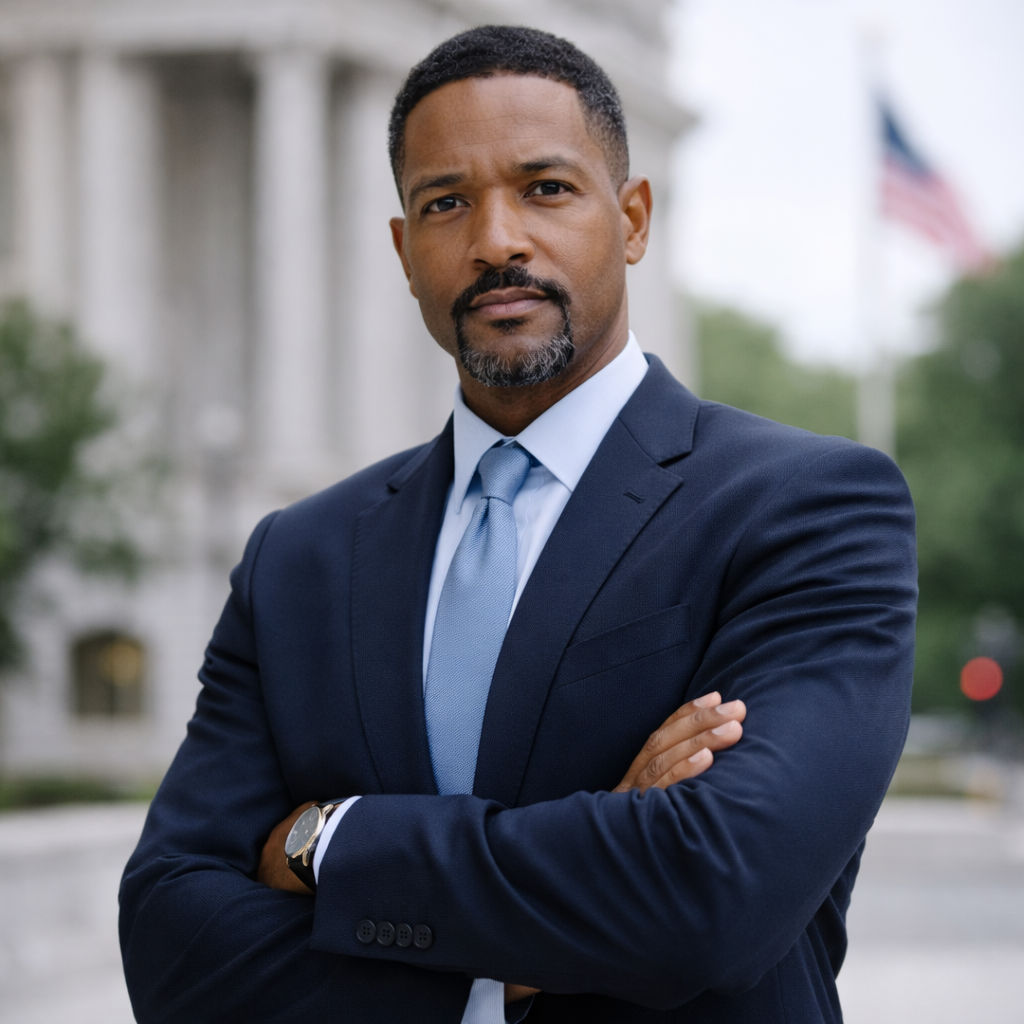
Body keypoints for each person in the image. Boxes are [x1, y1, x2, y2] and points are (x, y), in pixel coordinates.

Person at [120, 25, 916, 1024]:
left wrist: (330, 841)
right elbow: (172, 947)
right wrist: (533, 939)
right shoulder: (298, 558)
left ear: (630, 218)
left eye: (545, 188)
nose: (496, 239)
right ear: (406, 251)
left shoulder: (807, 506)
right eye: (446, 202)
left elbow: (713, 899)